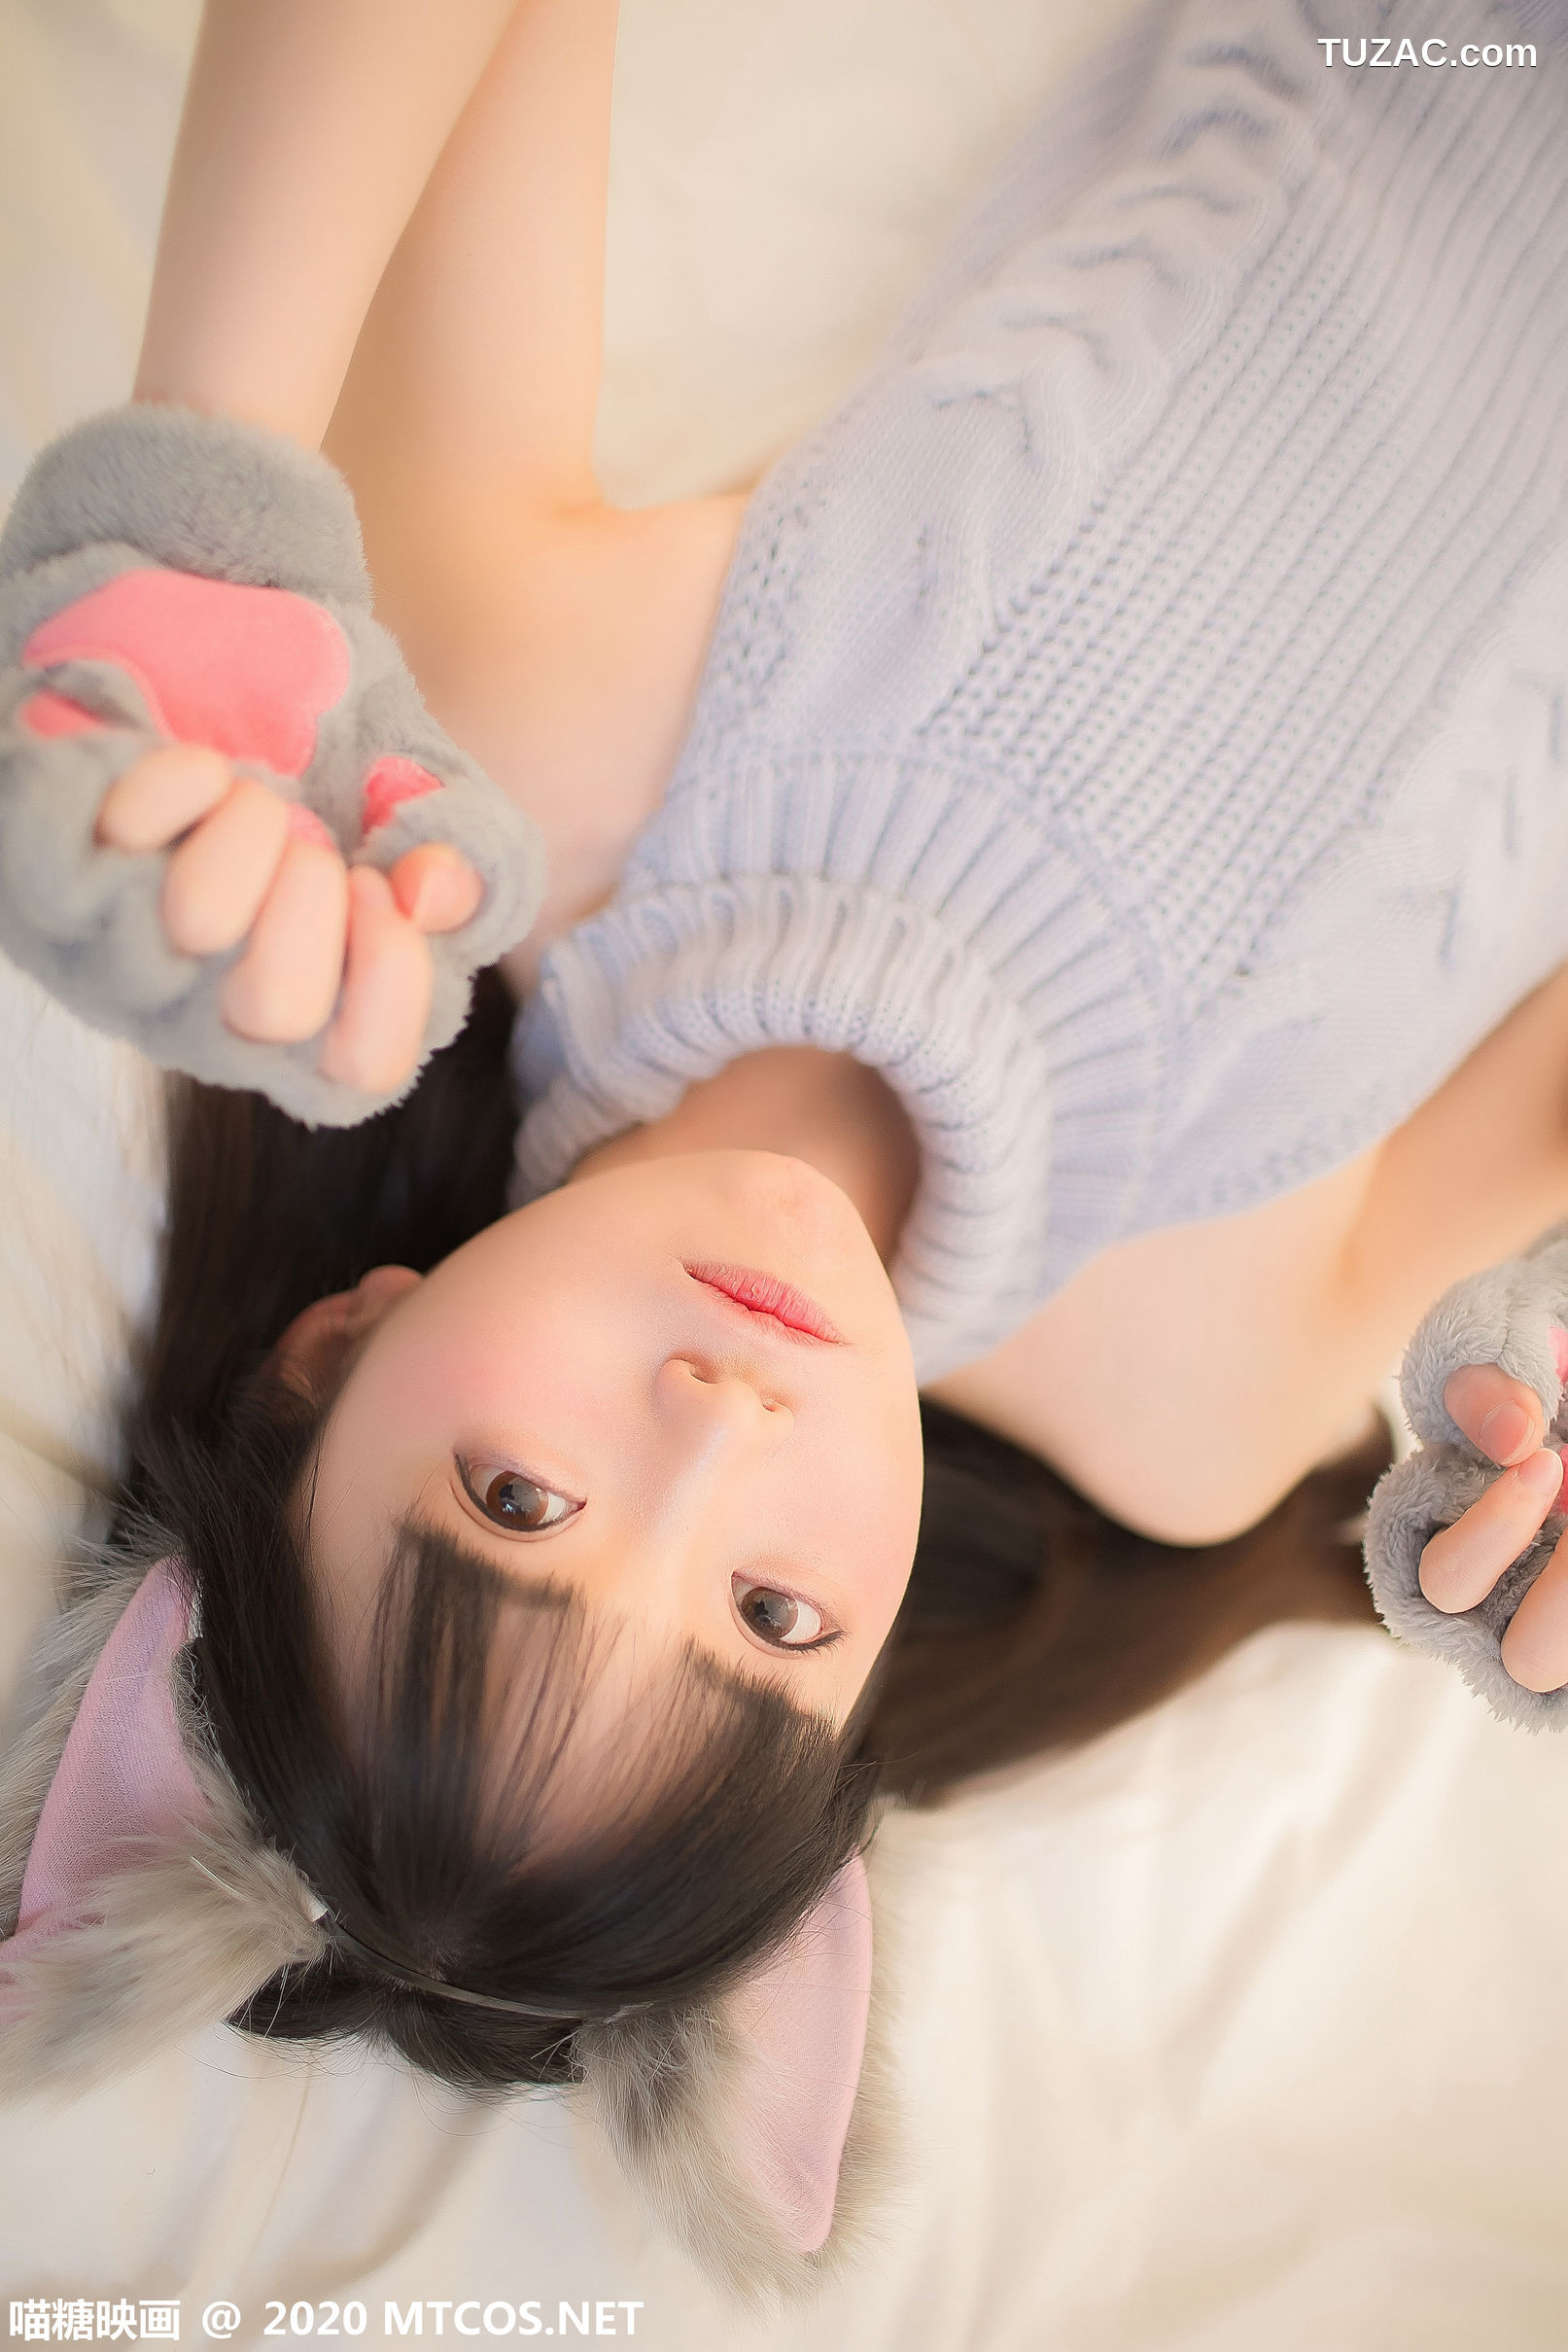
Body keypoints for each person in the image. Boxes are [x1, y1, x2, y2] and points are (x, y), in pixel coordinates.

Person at [2, 0, 1566, 2293]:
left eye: (518, 1501)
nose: (720, 1426)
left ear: (341, 1343)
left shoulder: (524, 754)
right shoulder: (1196, 1399)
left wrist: (196, 504)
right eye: (771, 1615)